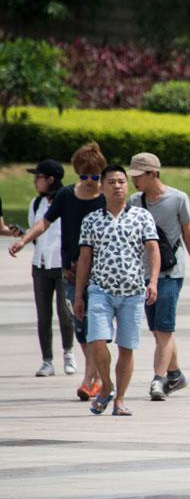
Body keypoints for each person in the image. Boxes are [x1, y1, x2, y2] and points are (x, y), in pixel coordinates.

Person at [9, 142, 107, 400]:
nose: (89, 181)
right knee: (81, 324)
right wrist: (24, 240)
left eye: (95, 176)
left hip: (103, 270)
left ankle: (92, 378)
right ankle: (94, 375)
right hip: (73, 271)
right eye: (84, 176)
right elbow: (44, 222)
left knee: (97, 324)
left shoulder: (107, 196)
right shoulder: (66, 195)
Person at [73, 165, 160, 416]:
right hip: (100, 289)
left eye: (122, 181)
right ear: (102, 187)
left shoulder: (141, 217)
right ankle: (107, 385)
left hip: (132, 291)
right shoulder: (91, 220)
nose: (118, 186)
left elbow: (153, 250)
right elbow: (85, 259)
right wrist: (79, 295)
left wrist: (152, 281)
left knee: (126, 347)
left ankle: (119, 399)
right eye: (111, 182)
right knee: (96, 340)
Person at [128, 153, 190, 401]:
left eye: (138, 176)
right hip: (143, 272)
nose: (134, 181)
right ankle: (175, 374)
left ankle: (158, 380)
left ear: (152, 174)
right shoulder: (134, 201)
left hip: (171, 272)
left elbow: (189, 236)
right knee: (158, 330)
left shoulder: (178, 199)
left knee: (164, 329)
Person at [25, 160, 76, 377]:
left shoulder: (67, 202)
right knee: (43, 315)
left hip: (62, 266)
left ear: (50, 179)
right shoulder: (36, 204)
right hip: (41, 265)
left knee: (65, 313)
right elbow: (34, 231)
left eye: (38, 177)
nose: (35, 181)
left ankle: (68, 353)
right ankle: (47, 360)